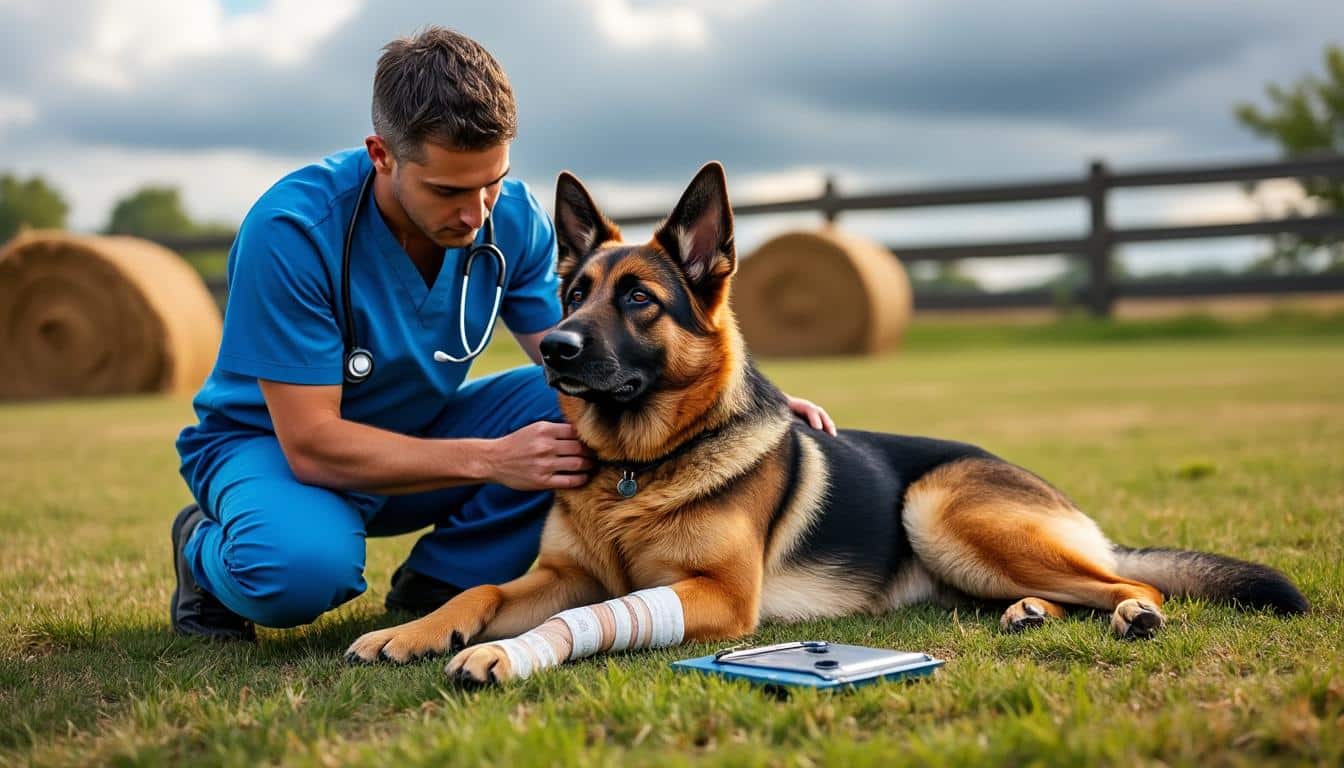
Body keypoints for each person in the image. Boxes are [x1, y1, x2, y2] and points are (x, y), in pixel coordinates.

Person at [171, 26, 836, 641]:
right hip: (280, 451)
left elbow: (590, 354)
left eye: (493, 182)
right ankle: (203, 550)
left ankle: (441, 577)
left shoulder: (509, 218)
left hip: (422, 433)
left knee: (572, 399)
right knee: (298, 572)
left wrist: (745, 408)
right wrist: (491, 459)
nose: (476, 213)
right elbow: (314, 446)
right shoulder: (292, 232)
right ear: (382, 156)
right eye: (447, 192)